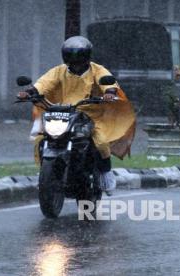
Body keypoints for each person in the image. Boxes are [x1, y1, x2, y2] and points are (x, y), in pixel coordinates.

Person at [17, 36, 135, 195]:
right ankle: (45, 176)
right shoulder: (59, 71)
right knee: (41, 137)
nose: (76, 62)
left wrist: (109, 92)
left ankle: (106, 173)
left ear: (87, 57)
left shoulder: (97, 70)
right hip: (63, 111)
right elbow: (44, 83)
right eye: (71, 58)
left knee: (100, 141)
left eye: (79, 58)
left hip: (91, 114)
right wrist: (30, 92)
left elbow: (107, 83)